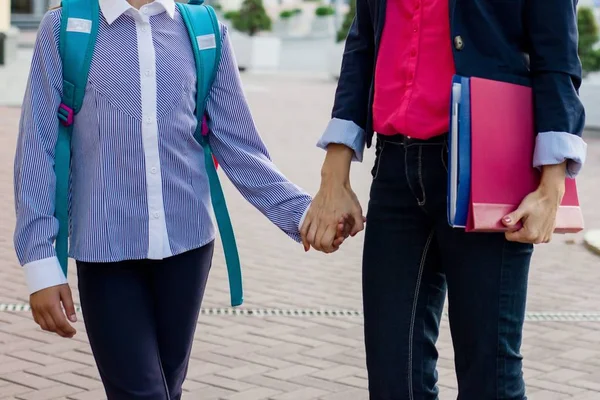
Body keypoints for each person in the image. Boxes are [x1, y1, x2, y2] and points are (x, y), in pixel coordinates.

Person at [13, 0, 349, 398]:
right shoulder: (64, 29)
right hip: (106, 251)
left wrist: (301, 214)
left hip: (188, 250)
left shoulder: (205, 31)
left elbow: (239, 145)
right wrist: (40, 263)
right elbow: (37, 149)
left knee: (167, 389)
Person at [300, 0, 587, 398]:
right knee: (391, 377)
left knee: (490, 376)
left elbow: (556, 54)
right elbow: (364, 41)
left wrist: (553, 184)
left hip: (490, 163)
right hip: (395, 168)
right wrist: (334, 175)